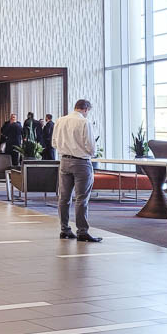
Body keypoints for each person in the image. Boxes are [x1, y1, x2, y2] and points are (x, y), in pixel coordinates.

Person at [52, 99, 102, 242]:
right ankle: (82, 231)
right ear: (85, 109)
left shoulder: (60, 120)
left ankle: (64, 229)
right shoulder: (84, 122)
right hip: (81, 163)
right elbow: (91, 147)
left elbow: (54, 143)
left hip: (64, 162)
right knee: (81, 198)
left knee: (64, 198)